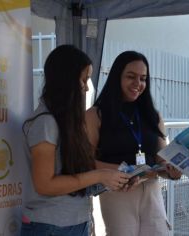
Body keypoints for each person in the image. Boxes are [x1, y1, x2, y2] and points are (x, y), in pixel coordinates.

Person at [21, 45, 130, 236]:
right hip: (51, 226)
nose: (86, 87)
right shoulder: (45, 122)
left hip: (75, 221)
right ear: (66, 79)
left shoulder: (65, 121)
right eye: (83, 79)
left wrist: (111, 180)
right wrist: (100, 175)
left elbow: (73, 179)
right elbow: (44, 184)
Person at [86, 50, 181, 236]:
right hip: (117, 193)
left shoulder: (153, 116)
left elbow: (162, 159)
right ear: (116, 77)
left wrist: (172, 169)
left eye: (143, 78)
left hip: (152, 191)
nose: (138, 84)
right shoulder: (95, 115)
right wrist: (123, 171)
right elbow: (85, 161)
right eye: (131, 77)